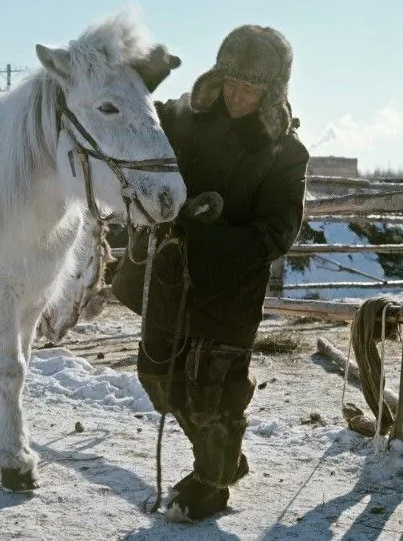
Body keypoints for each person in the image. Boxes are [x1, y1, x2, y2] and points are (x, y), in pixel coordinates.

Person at [113, 25, 309, 522]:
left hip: (229, 288)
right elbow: (132, 128)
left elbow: (277, 231)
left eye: (250, 88)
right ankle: (223, 456)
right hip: (168, 278)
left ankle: (212, 480)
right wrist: (137, 79)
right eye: (229, 83)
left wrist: (205, 237)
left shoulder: (285, 153)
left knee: (211, 393)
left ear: (273, 90)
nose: (236, 96)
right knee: (156, 375)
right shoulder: (183, 118)